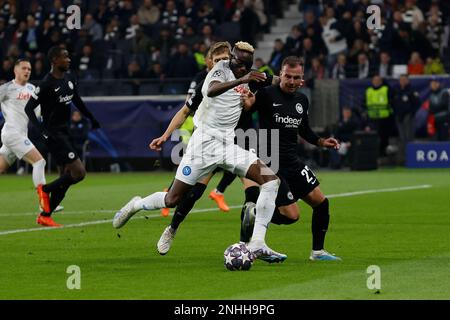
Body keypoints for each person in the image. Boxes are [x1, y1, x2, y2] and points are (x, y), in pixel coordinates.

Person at [113, 41, 287, 262]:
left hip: (228, 145)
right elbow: (212, 91)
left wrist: (289, 80)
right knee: (173, 199)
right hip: (203, 145)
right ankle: (136, 205)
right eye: (240, 64)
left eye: (247, 65)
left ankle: (258, 243)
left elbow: (274, 80)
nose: (243, 69)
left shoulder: (249, 74)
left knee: (270, 181)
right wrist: (243, 79)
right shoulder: (219, 71)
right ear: (231, 59)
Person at [240, 56, 342, 261]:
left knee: (321, 203)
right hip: (270, 162)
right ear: (281, 74)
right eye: (288, 76)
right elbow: (249, 107)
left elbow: (304, 130)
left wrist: (322, 142)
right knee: (291, 216)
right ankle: (255, 220)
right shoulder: (267, 94)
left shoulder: (302, 100)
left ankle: (318, 252)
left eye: (297, 78)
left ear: (302, 79)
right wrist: (248, 103)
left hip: (292, 161)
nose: (292, 81)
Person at [25, 46, 101, 227]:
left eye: (68, 57)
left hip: (65, 132)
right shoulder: (46, 84)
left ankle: (45, 215)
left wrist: (92, 118)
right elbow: (29, 108)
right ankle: (45, 189)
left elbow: (77, 100)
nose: (68, 60)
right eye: (64, 57)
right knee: (79, 173)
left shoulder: (69, 77)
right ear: (54, 61)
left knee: (65, 179)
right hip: (54, 135)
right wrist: (42, 130)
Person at [0, 58, 49, 214]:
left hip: (19, 135)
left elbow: (38, 113)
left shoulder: (32, 89)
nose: (27, 71)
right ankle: (44, 204)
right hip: (11, 133)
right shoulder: (6, 89)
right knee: (39, 161)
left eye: (29, 68)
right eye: (24, 68)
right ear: (15, 70)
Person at [392, 74, 420, 163]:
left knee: (409, 137)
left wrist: (411, 114)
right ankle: (404, 159)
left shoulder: (412, 91)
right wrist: (396, 113)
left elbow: (417, 104)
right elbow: (393, 103)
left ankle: (411, 158)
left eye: (404, 79)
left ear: (408, 81)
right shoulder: (396, 90)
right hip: (399, 117)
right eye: (401, 80)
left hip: (408, 116)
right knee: (402, 138)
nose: (402, 81)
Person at [363, 75, 394, 157]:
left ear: (381, 81)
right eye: (374, 80)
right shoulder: (368, 91)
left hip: (384, 119)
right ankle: (373, 156)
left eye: (378, 80)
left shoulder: (386, 89)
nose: (376, 82)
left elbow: (392, 101)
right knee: (373, 138)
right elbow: (364, 103)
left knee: (384, 138)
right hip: (372, 119)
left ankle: (383, 156)